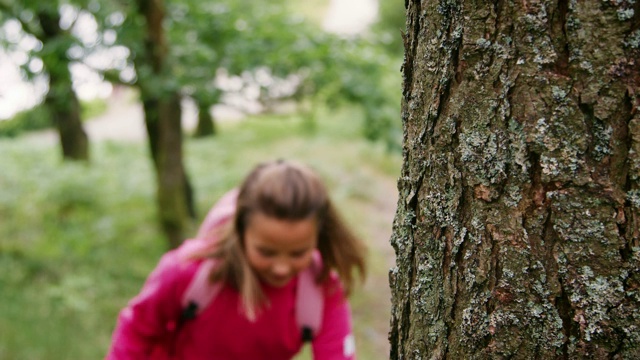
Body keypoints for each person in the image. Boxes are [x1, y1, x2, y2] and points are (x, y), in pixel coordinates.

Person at [106, 159, 367, 359]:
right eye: (266, 252)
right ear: (241, 232)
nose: (281, 267)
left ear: (318, 238)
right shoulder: (188, 271)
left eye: (298, 253)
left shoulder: (321, 289)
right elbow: (137, 330)